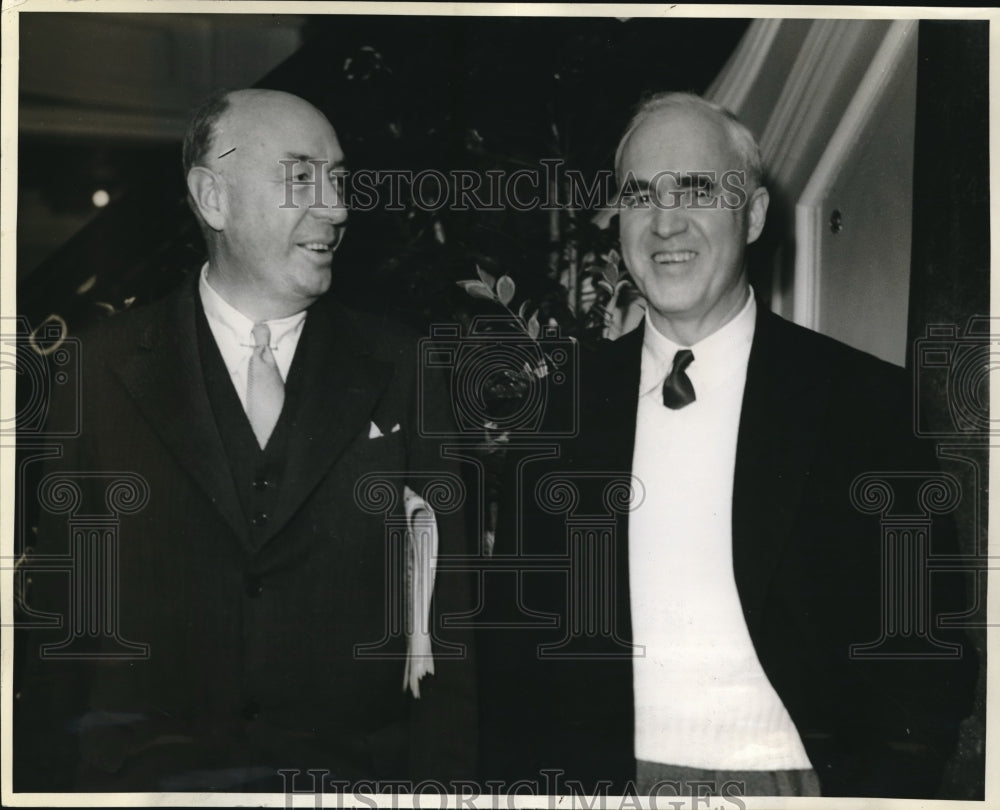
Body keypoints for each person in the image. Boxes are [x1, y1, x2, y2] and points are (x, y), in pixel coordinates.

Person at [480, 92, 976, 798]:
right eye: (640, 195)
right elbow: (512, 659)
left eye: (696, 190)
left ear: (754, 214)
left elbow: (924, 662)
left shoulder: (866, 405)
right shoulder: (558, 411)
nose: (666, 222)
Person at [15, 89, 476, 792]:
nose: (336, 208)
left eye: (339, 180)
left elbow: (450, 642)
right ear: (213, 198)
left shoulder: (407, 367)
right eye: (301, 177)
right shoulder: (96, 371)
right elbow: (59, 635)